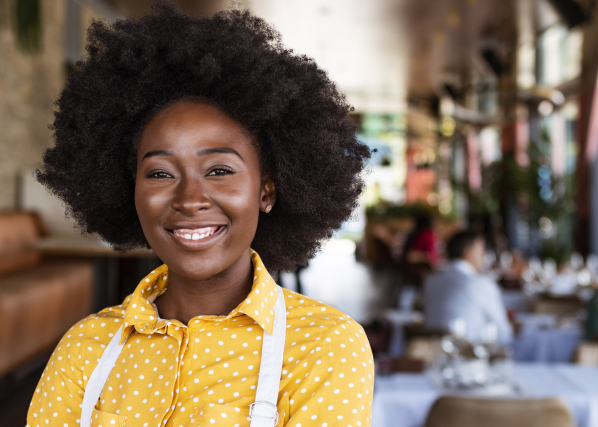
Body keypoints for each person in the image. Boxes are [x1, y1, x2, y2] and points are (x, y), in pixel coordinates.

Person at [28, 3, 374, 426]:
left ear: (266, 189)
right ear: (128, 190)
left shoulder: (325, 345)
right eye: (159, 173)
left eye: (220, 170)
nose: (190, 199)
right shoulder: (85, 347)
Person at [422, 231, 513, 344]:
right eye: (481, 251)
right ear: (469, 253)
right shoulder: (481, 283)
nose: (483, 256)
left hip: (431, 352)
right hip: (471, 355)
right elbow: (504, 334)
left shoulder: (430, 280)